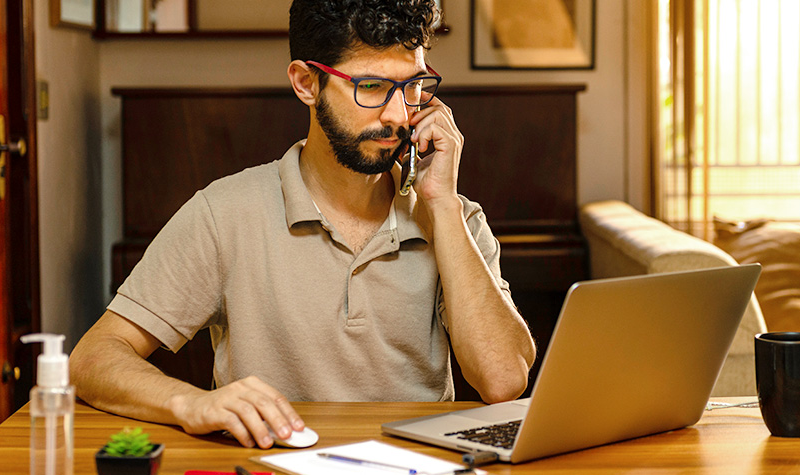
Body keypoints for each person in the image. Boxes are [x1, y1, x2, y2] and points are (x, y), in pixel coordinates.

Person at [70, 0, 535, 450]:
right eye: (371, 87)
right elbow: (92, 359)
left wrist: (442, 206)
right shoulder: (223, 213)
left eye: (413, 86)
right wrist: (191, 403)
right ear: (306, 83)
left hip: (421, 465)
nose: (398, 115)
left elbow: (503, 381)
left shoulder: (455, 216)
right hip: (274, 462)